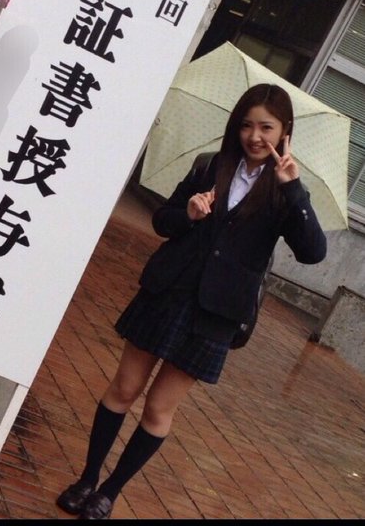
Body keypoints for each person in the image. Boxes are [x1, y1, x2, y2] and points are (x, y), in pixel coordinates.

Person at [56, 83, 327, 519]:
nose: (255, 136)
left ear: (284, 132)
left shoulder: (285, 190)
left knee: (158, 408)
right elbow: (162, 220)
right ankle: (87, 478)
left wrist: (294, 189)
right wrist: (189, 214)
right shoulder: (211, 166)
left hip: (216, 314)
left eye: (266, 128)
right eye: (247, 125)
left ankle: (109, 491)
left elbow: (313, 252)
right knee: (124, 388)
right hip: (169, 292)